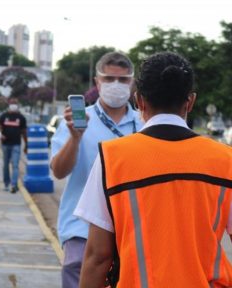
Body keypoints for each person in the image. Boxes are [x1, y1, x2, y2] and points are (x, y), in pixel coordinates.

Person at [75, 51, 232, 288]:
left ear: (139, 101)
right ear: (190, 101)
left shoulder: (112, 158)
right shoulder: (225, 160)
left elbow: (98, 257)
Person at [50, 52, 143, 288]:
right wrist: (75, 138)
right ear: (97, 81)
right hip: (81, 229)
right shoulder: (78, 121)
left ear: (132, 83)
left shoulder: (143, 124)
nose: (116, 85)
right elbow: (59, 171)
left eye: (123, 80)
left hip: (131, 232)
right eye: (109, 78)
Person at [0, 97, 27, 193]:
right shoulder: (3, 116)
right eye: (12, 103)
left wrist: (27, 145)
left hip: (16, 145)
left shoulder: (21, 118)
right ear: (9, 105)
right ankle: (6, 184)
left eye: (15, 103)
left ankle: (14, 185)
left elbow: (24, 132)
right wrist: (0, 135)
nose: (13, 105)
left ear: (17, 105)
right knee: (5, 165)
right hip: (5, 144)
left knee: (15, 165)